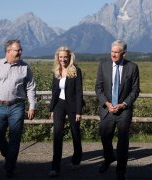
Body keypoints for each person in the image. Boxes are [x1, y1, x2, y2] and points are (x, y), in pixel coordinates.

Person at [0, 39, 37, 178]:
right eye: (17, 50)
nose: (20, 52)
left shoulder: (25, 67)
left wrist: (32, 105)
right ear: (8, 51)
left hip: (17, 106)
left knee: (15, 137)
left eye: (20, 50)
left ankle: (9, 167)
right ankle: (9, 156)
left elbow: (31, 87)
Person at [95, 40, 140, 180]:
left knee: (123, 141)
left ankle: (121, 171)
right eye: (112, 51)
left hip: (124, 111)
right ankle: (108, 158)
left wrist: (123, 104)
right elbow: (98, 88)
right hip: (107, 109)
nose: (113, 54)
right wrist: (107, 103)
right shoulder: (103, 66)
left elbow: (135, 90)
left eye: (116, 52)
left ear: (124, 53)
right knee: (104, 136)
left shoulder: (132, 67)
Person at [49, 46, 83, 177]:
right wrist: (52, 109)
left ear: (70, 57)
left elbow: (79, 92)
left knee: (75, 133)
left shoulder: (76, 71)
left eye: (65, 57)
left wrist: (79, 111)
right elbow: (54, 92)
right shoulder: (56, 71)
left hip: (73, 106)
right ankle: (55, 167)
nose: (63, 59)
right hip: (59, 105)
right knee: (57, 134)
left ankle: (76, 159)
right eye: (60, 57)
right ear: (57, 57)